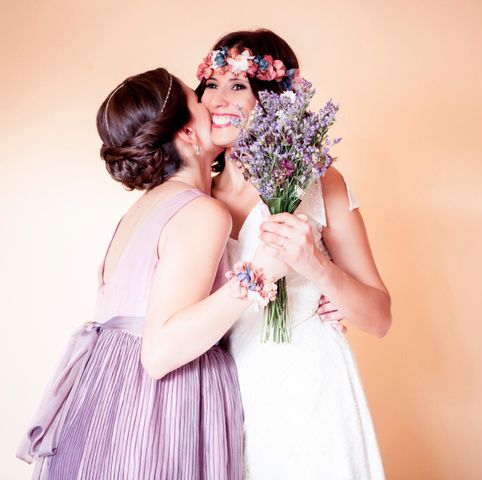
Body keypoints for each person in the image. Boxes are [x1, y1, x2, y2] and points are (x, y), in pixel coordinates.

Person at [17, 67, 285, 479]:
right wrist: (261, 271)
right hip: (161, 406)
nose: (214, 105)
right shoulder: (201, 212)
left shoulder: (143, 208)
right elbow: (160, 354)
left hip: (105, 396)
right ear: (188, 134)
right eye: (200, 102)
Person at [196, 29, 392, 479]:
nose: (219, 99)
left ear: (272, 98)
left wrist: (318, 268)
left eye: (239, 85)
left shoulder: (322, 183)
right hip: (221, 398)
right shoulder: (192, 195)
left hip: (310, 392)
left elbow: (379, 318)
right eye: (212, 84)